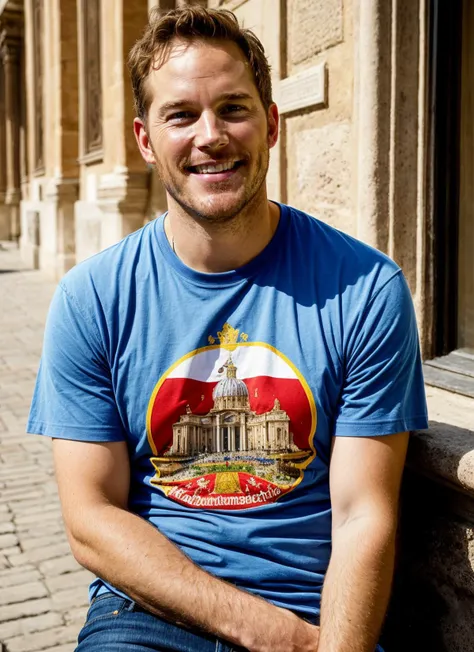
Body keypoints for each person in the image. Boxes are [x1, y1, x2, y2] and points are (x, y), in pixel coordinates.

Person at [27, 6, 428, 652]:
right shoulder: (91, 300)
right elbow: (91, 520)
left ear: (271, 125)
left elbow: (362, 517)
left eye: (234, 109)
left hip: (316, 610)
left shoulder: (366, 290)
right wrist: (280, 639)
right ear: (144, 139)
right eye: (181, 115)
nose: (210, 135)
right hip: (147, 613)